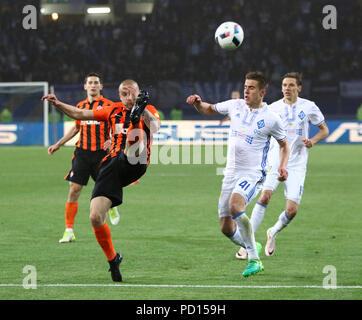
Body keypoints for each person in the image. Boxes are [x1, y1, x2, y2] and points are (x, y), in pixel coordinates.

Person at [42, 79, 161, 282]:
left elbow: (156, 126)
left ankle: (134, 121)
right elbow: (79, 114)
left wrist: (141, 111)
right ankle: (113, 259)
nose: (128, 97)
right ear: (119, 95)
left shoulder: (149, 109)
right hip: (112, 166)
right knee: (95, 217)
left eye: (133, 94)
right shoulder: (111, 110)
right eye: (124, 94)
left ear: (139, 94)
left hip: (136, 160)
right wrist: (58, 104)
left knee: (136, 138)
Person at [186, 72, 290, 277]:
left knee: (236, 205)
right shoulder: (235, 106)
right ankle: (253, 246)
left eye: (251, 88)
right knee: (225, 227)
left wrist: (283, 166)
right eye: (245, 86)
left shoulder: (271, 118)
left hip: (252, 173)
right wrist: (198, 103)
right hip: (231, 172)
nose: (246, 91)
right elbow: (209, 109)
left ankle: (253, 259)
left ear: (262, 92)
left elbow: (284, 145)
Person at [235, 72, 329, 259]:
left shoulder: (309, 106)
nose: (287, 88)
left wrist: (313, 140)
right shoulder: (273, 108)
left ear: (299, 88)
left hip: (297, 164)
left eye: (291, 85)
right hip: (274, 160)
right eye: (284, 85)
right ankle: (248, 244)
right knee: (265, 197)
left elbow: (324, 130)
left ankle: (273, 232)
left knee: (292, 210)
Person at [48, 73, 120, 244]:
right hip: (82, 153)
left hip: (102, 154)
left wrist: (112, 140)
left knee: (105, 189)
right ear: (85, 86)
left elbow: (118, 128)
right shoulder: (80, 106)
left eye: (96, 83)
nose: (93, 85)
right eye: (90, 83)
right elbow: (75, 129)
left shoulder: (108, 106)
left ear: (101, 87)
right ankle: (69, 231)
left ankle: (112, 206)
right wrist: (58, 144)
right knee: (74, 190)